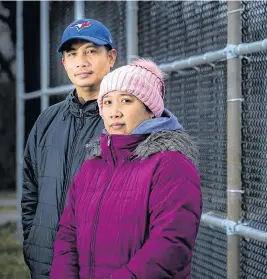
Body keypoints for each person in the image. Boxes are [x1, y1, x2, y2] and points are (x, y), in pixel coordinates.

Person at [50, 58, 202, 279]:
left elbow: (171, 244)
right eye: (108, 103)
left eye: (126, 101)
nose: (115, 112)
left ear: (151, 110)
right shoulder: (91, 167)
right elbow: (67, 234)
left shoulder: (171, 165)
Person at [21, 18, 117, 279]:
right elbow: (30, 188)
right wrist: (33, 241)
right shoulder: (47, 120)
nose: (81, 61)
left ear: (111, 57)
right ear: (64, 63)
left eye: (91, 51)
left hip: (99, 266)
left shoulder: (124, 119)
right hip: (45, 263)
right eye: (72, 53)